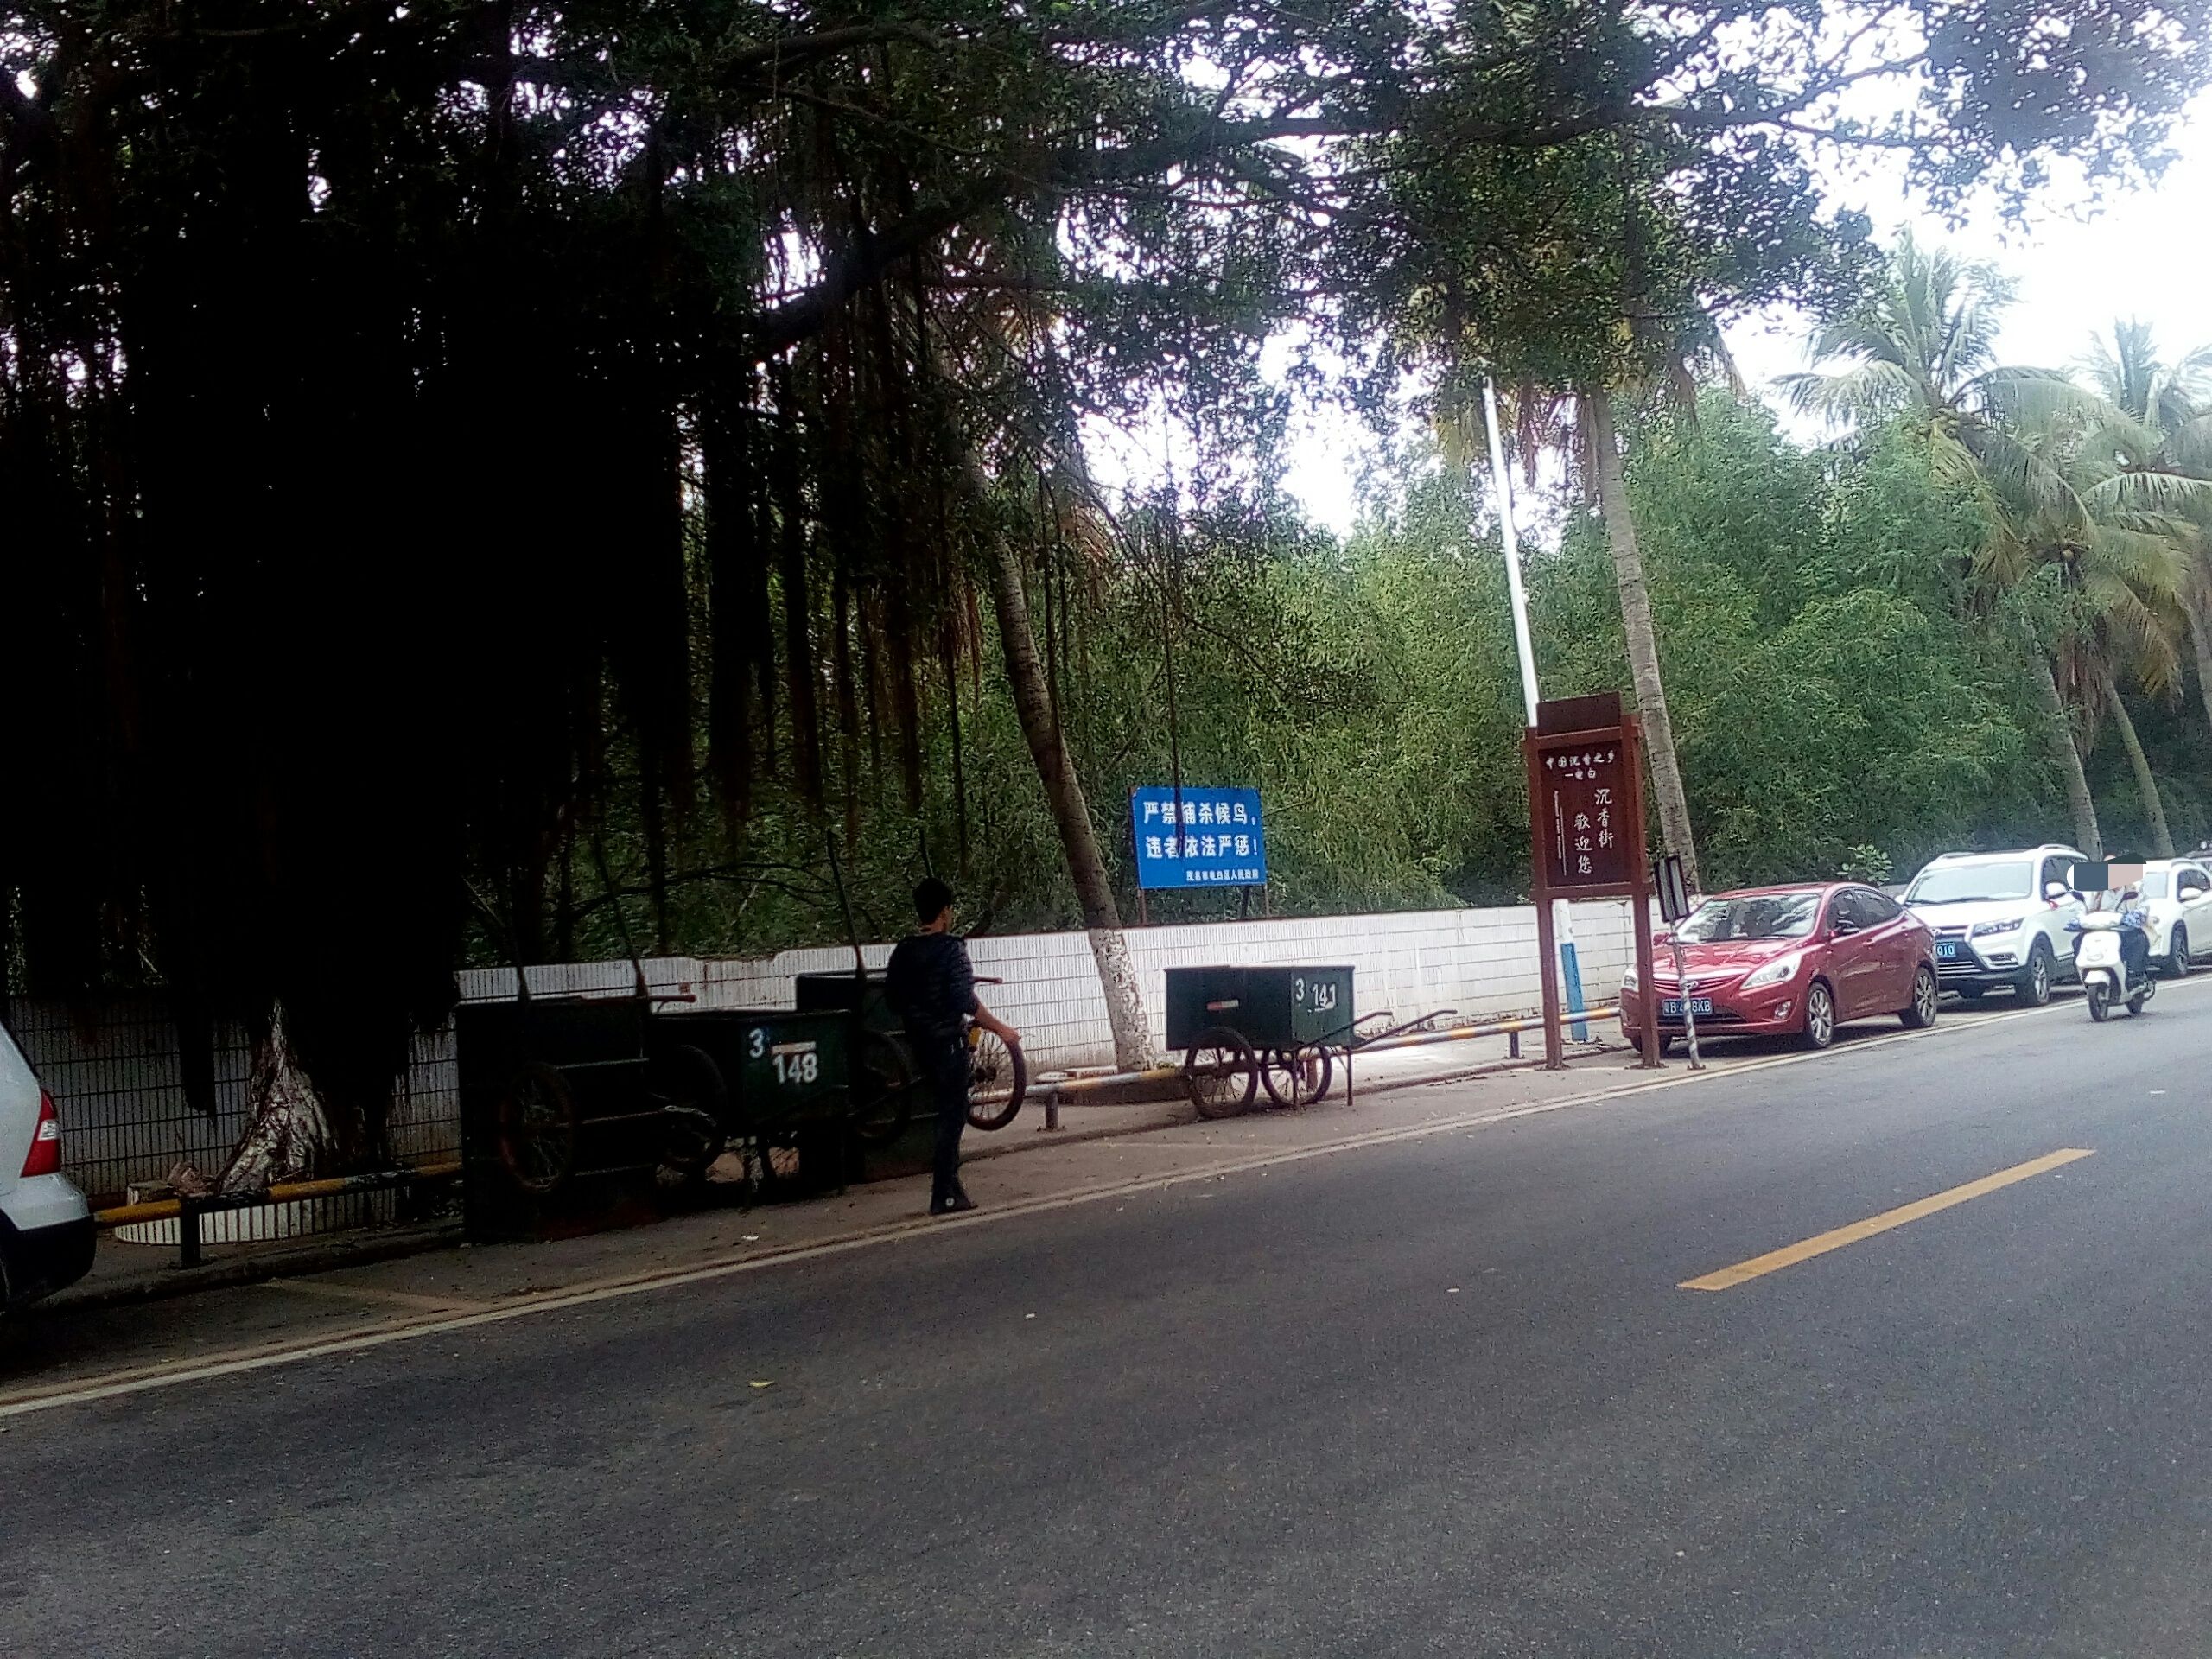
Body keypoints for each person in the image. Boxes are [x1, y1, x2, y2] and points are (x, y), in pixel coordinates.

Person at [884, 878, 1020, 1216]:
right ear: (945, 912)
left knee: (944, 1114)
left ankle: (953, 1189)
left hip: (919, 1043)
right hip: (948, 1042)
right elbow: (964, 1000)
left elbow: (892, 1000)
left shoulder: (903, 951)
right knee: (952, 1117)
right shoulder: (951, 950)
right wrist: (1001, 1028)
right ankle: (943, 1194)